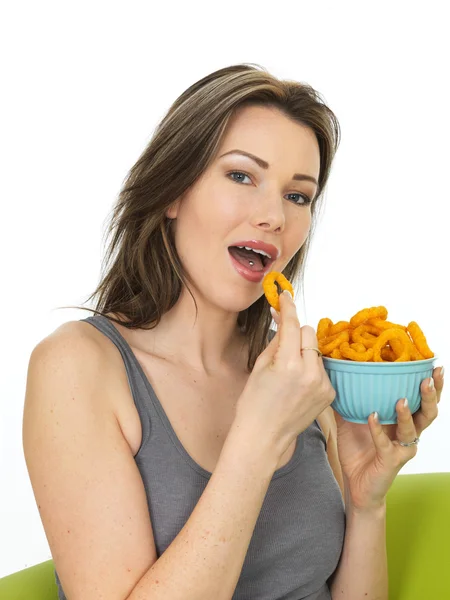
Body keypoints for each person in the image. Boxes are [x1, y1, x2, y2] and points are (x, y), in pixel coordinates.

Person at [22, 63, 443, 600]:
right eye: (241, 176)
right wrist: (257, 439)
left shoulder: (299, 379)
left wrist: (366, 502)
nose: (273, 216)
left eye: (298, 196)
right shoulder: (77, 367)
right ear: (172, 191)